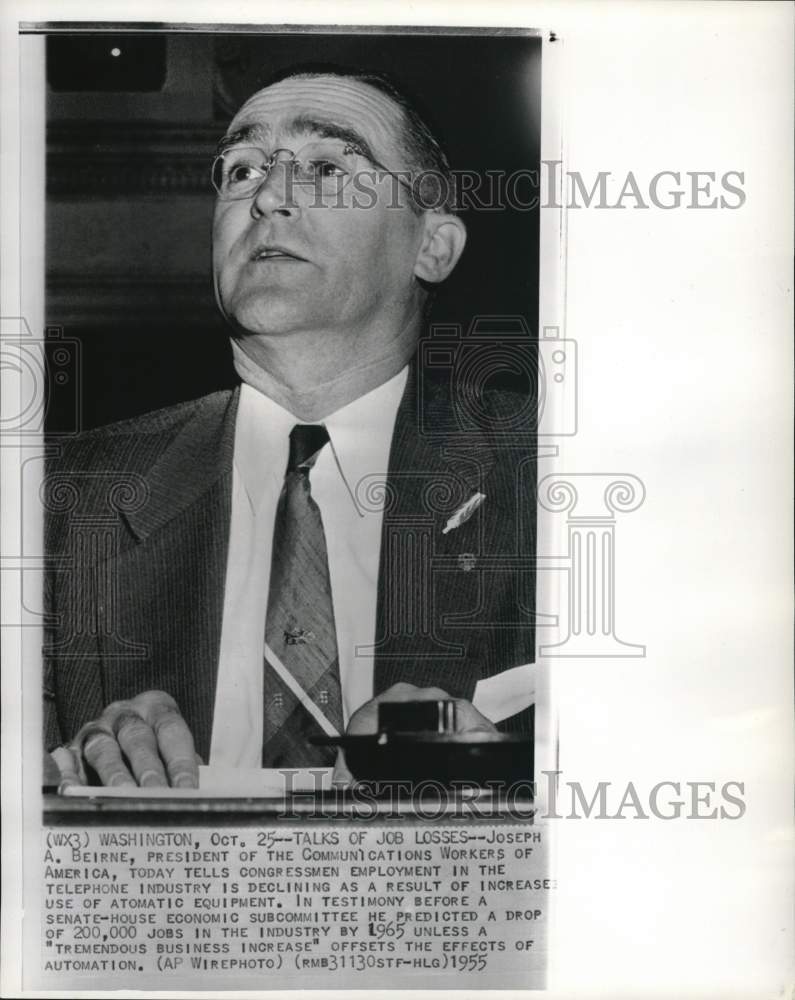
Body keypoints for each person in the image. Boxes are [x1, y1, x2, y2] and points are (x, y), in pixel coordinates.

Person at [44, 67, 536, 789]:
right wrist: (72, 763)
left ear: (431, 246)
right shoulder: (55, 498)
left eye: (328, 167)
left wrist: (499, 755)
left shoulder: (549, 477)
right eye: (241, 169)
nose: (268, 196)